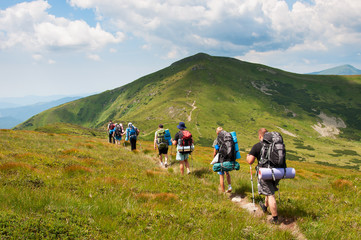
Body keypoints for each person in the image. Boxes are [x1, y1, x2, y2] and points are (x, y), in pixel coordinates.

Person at [247, 128, 280, 225]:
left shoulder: (258, 146)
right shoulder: (274, 145)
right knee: (269, 190)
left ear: (260, 136)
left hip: (265, 172)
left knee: (270, 194)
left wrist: (248, 156)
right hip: (277, 172)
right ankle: (265, 207)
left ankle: (275, 218)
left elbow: (250, 161)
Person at [213, 127, 232, 193]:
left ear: (217, 133)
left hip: (220, 159)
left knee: (221, 176)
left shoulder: (217, 140)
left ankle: (223, 192)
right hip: (227, 158)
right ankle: (229, 186)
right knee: (227, 173)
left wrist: (214, 158)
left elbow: (215, 151)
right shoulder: (227, 139)